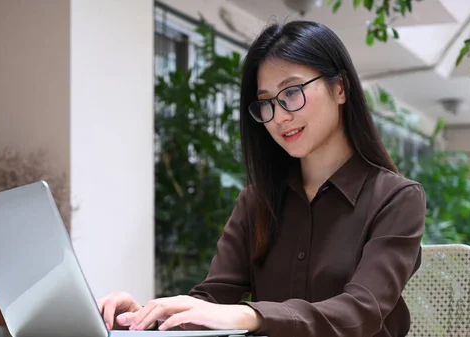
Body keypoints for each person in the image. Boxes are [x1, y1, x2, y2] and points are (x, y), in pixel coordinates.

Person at [97, 20, 426, 337]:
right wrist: (141, 317)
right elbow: (213, 302)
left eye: (292, 92)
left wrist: (252, 314)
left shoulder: (396, 199)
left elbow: (361, 312)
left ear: (339, 88)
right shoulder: (256, 201)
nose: (280, 116)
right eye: (266, 103)